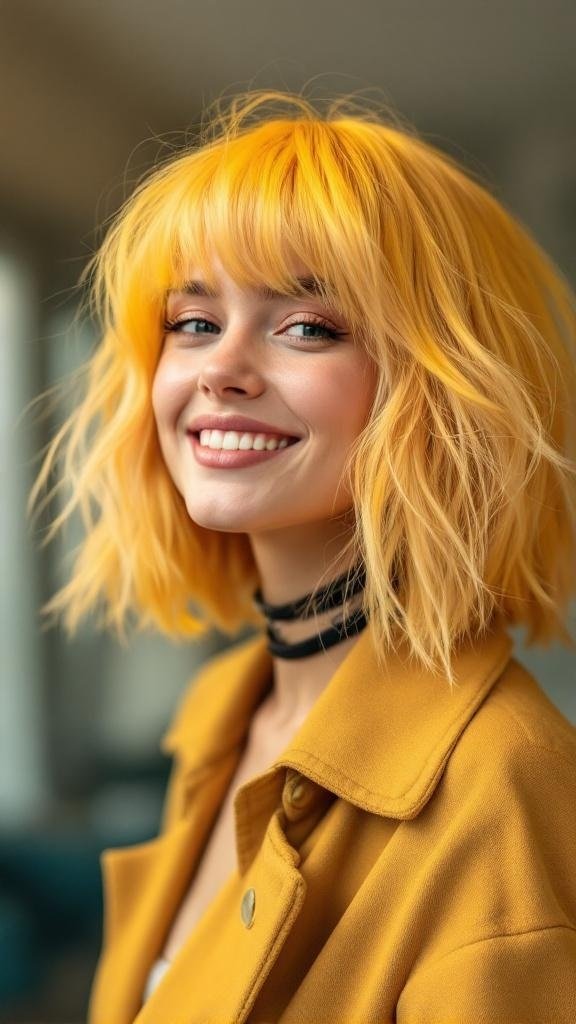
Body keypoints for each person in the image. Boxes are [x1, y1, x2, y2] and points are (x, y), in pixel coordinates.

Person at [29, 89, 576, 1023]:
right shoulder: (219, 712)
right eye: (193, 322)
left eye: (308, 326)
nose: (220, 368)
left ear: (444, 386)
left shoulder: (506, 784)